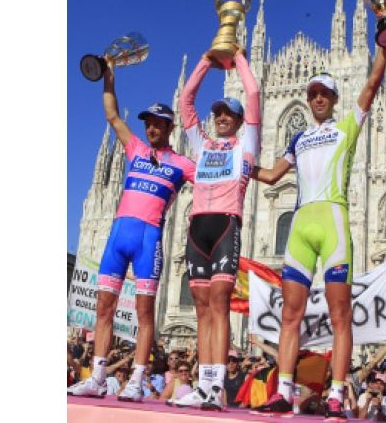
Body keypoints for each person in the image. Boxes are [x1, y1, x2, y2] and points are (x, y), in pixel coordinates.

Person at [250, 7, 386, 421]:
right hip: (300, 228)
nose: (316, 98)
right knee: (289, 315)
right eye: (313, 92)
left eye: (323, 93)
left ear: (332, 99)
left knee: (340, 315)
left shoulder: (346, 127)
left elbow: (371, 84)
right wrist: (235, 166)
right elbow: (271, 176)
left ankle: (335, 392)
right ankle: (283, 389)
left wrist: (384, 45)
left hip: (332, 224)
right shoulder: (297, 138)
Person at [67, 56, 196, 399]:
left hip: (148, 239)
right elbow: (112, 115)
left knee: (144, 311)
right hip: (118, 237)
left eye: (158, 124)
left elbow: (211, 181)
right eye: (148, 124)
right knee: (103, 307)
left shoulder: (182, 164)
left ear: (170, 128)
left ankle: (138, 379)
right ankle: (97, 377)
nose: (151, 129)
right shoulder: (136, 149)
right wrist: (109, 78)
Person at [170, 46, 261, 411]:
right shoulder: (203, 146)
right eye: (219, 113)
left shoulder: (246, 146)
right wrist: (205, 62)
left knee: (220, 304)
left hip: (225, 224)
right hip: (197, 229)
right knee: (201, 308)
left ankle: (217, 385)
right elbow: (186, 103)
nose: (223, 118)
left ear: (238, 121)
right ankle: (203, 383)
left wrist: (238, 58)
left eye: (229, 114)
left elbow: (253, 95)